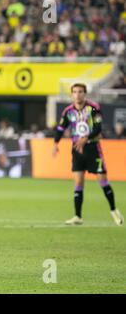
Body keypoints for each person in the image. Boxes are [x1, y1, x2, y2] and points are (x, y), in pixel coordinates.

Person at [53, 83, 123, 226]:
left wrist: (86, 138)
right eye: (75, 92)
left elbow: (98, 128)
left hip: (93, 149)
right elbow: (61, 128)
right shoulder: (68, 111)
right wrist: (55, 143)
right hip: (77, 150)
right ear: (72, 94)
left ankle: (114, 210)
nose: (77, 94)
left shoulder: (93, 108)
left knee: (102, 181)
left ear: (85, 94)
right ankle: (78, 216)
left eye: (80, 92)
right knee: (78, 182)